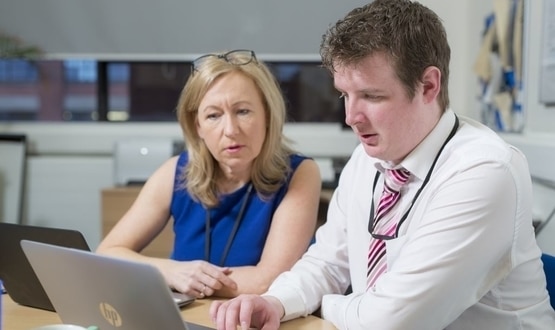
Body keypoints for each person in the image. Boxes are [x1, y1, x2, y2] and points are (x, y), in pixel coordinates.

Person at [209, 1, 555, 329]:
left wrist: (321, 303)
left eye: (371, 96)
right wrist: (275, 302)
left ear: (428, 86)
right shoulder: (368, 157)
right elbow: (328, 261)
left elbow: (389, 322)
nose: (351, 118)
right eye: (345, 95)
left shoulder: (484, 172)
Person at [96, 49, 321, 299]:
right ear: (198, 126)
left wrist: (190, 279)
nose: (230, 130)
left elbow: (267, 281)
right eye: (213, 115)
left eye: (243, 111)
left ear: (267, 115)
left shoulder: (301, 174)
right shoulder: (176, 171)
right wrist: (168, 271)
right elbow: (108, 253)